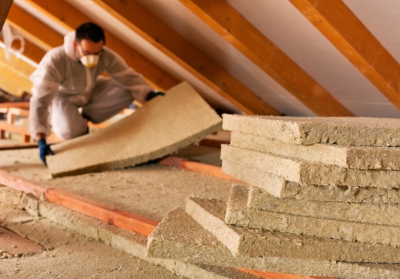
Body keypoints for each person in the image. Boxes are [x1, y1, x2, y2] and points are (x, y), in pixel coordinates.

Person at [29, 22, 164, 166]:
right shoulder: (55, 59)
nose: (92, 57)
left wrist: (149, 94)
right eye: (87, 53)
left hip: (89, 90)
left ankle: (84, 118)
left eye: (96, 53)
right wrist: (41, 139)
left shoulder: (105, 55)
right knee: (69, 130)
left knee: (128, 87)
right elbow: (40, 100)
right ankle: (77, 126)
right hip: (62, 97)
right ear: (76, 45)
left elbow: (128, 77)